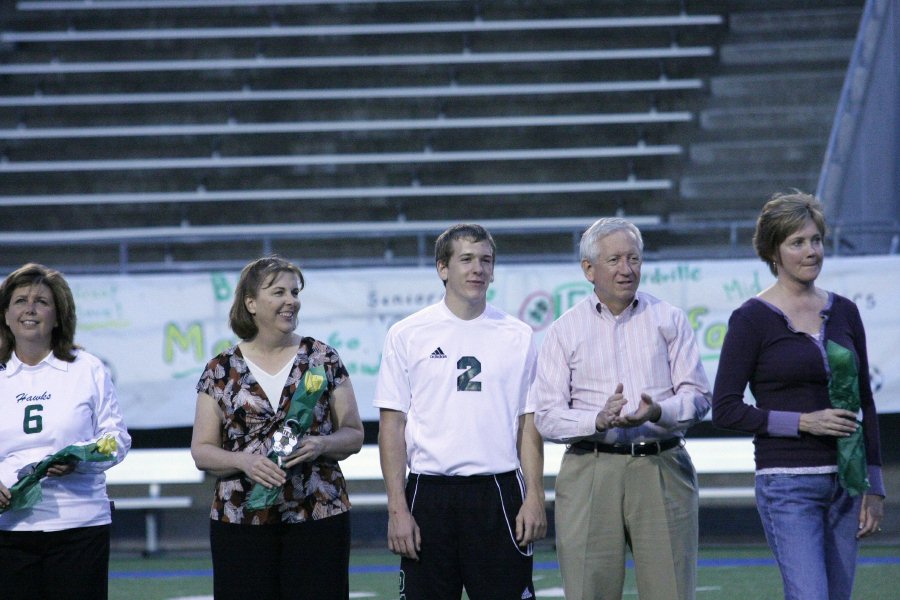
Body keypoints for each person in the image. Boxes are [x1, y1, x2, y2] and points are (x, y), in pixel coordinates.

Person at [712, 192, 884, 600]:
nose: (812, 251)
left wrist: (873, 486)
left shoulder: (844, 311)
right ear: (774, 251)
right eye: (798, 242)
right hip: (787, 484)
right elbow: (725, 408)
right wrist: (802, 422)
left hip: (847, 481)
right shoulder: (751, 319)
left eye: (816, 240)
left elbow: (865, 400)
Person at [531, 217, 711, 600]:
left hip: (662, 464)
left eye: (633, 258)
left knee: (671, 592)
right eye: (614, 260)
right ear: (588, 269)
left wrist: (657, 412)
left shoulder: (670, 319)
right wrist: (594, 419)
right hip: (590, 467)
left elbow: (699, 396)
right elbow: (545, 415)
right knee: (588, 591)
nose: (626, 269)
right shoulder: (564, 330)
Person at [374, 223, 546, 600]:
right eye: (466, 259)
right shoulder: (407, 333)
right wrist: (396, 509)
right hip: (428, 492)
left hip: (498, 491)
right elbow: (392, 426)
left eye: (486, 260)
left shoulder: (518, 334)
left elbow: (528, 423)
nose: (477, 269)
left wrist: (534, 496)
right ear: (442, 268)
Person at [191, 255, 364, 600]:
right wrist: (244, 462)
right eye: (279, 292)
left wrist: (320, 444)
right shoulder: (220, 368)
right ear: (251, 303)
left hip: (318, 515)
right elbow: (202, 450)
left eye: (295, 292)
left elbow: (354, 434)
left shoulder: (322, 358)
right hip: (241, 519)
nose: (291, 301)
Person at [0, 263, 131, 600]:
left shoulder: (87, 368)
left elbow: (116, 439)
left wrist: (80, 459)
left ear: (58, 317)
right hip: (8, 530)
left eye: (41, 301)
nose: (30, 309)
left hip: (80, 527)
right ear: (5, 314)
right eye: (20, 301)